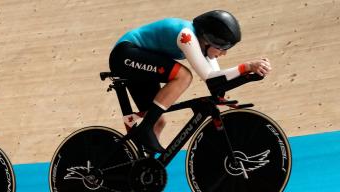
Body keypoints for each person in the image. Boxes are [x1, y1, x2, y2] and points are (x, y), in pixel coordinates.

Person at [110, 11, 270, 153]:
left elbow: (216, 80)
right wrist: (246, 66)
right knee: (184, 76)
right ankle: (145, 128)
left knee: (158, 122)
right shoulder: (187, 36)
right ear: (208, 41)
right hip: (125, 54)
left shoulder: (204, 47)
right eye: (222, 48)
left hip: (141, 63)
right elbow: (209, 77)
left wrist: (247, 77)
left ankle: (140, 165)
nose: (224, 53)